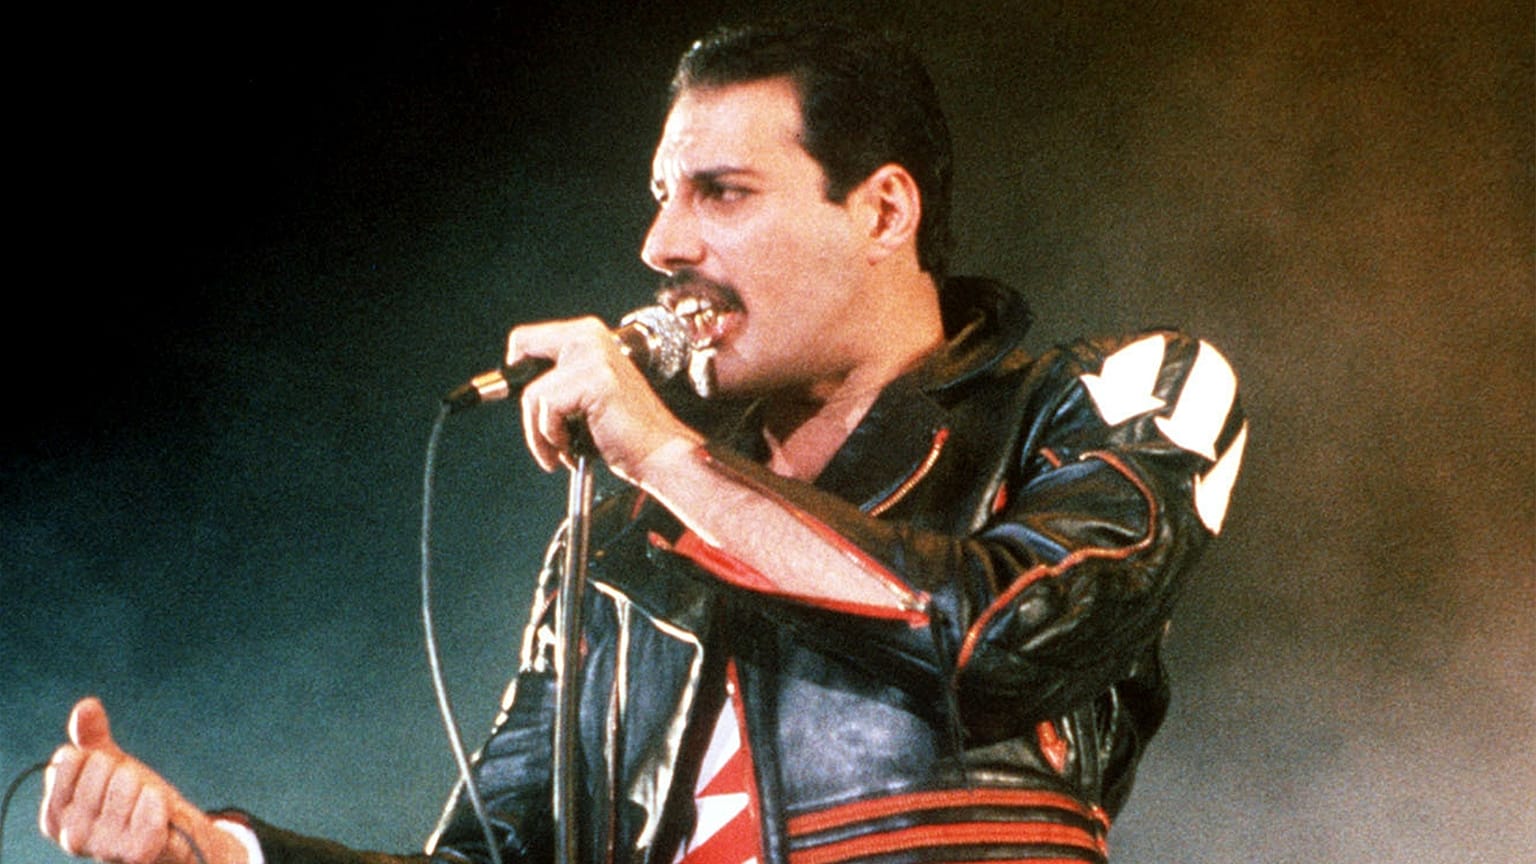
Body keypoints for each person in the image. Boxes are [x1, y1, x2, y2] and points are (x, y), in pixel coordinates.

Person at [39, 20, 1248, 864]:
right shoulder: (623, 538)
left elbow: (1012, 639)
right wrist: (219, 853)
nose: (661, 245)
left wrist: (668, 457)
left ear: (883, 208)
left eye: (719, 193)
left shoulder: (1124, 392)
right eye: (662, 197)